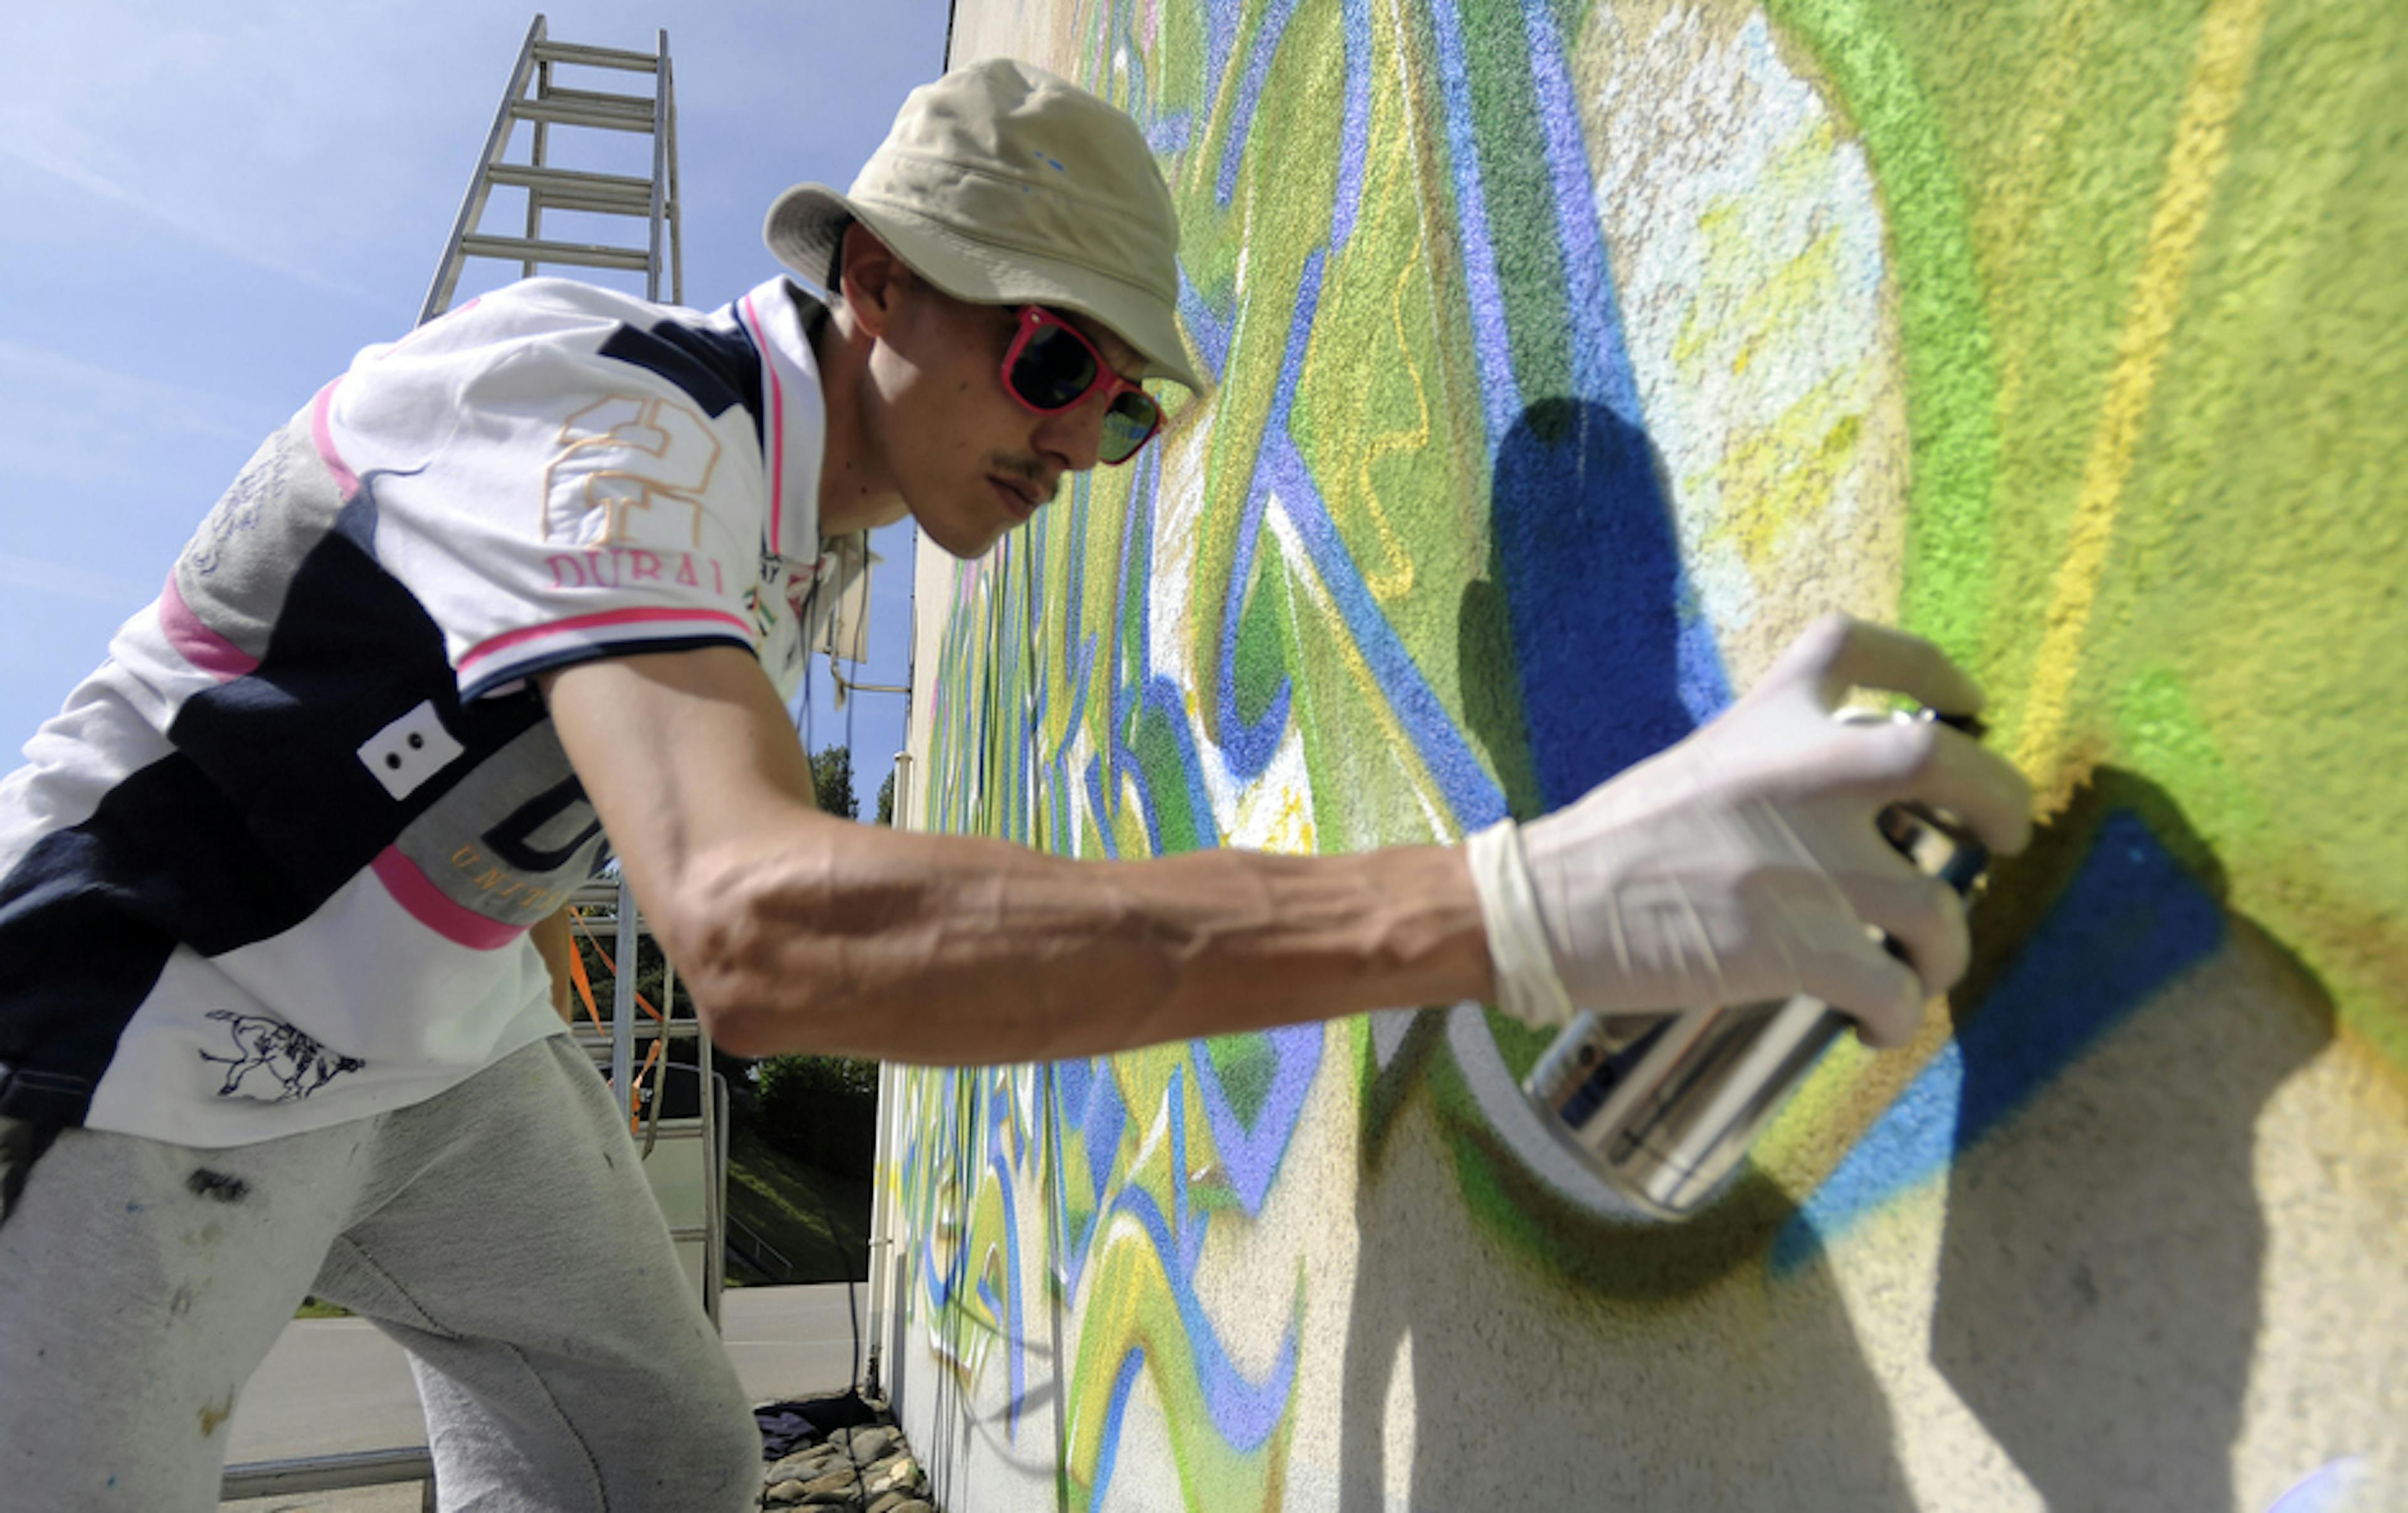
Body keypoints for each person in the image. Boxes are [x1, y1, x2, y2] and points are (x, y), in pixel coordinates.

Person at [0, 58, 2031, 1511]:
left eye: (1126, 410)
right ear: (875, 283)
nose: (1078, 442)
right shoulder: (599, 420)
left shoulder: (798, 546)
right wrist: (1520, 908)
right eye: (1052, 360)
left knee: (657, 1457)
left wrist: (499, 928)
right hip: (126, 1050)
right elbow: (768, 936)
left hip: (424, 1074)